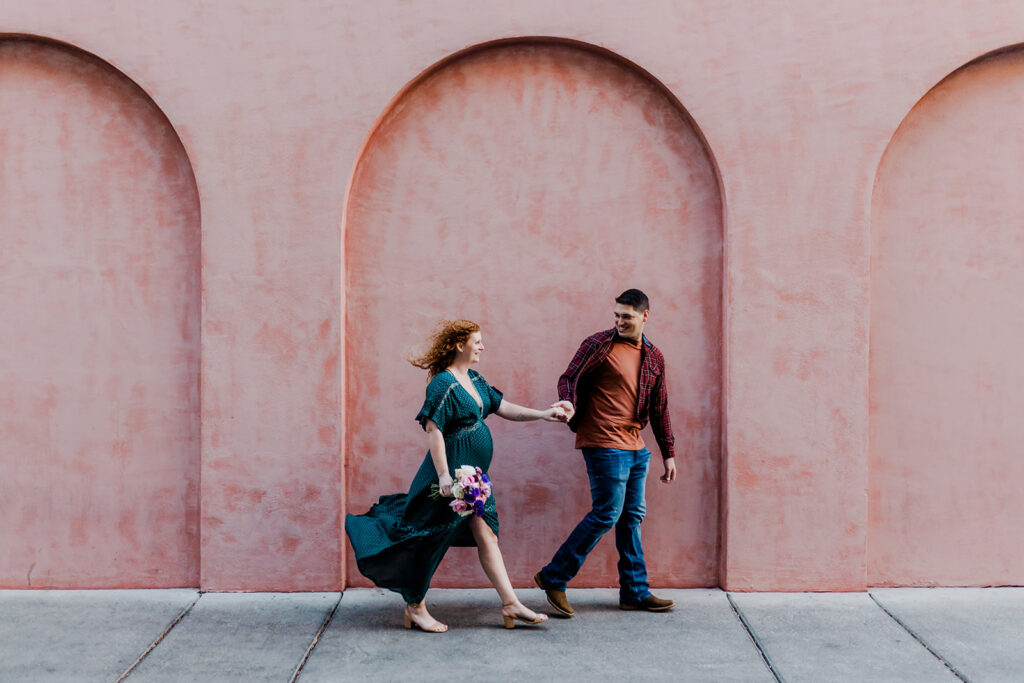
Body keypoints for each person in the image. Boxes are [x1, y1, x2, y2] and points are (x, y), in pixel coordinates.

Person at [346, 319, 570, 632]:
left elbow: (503, 407)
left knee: (486, 534)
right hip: (450, 480)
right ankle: (415, 607)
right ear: (459, 345)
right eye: (476, 341)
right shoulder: (443, 383)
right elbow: (434, 431)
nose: (482, 347)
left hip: (474, 480)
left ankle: (510, 603)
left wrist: (544, 415)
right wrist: (443, 476)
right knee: (429, 539)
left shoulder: (474, 379)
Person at [534, 289, 677, 616]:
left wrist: (668, 453)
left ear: (644, 316)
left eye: (626, 316)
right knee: (608, 512)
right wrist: (567, 402)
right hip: (602, 440)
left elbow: (660, 408)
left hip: (636, 447)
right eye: (616, 315)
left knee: (631, 518)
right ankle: (554, 576)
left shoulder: (654, 357)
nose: (619, 322)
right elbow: (569, 377)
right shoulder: (598, 344)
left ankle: (635, 592)